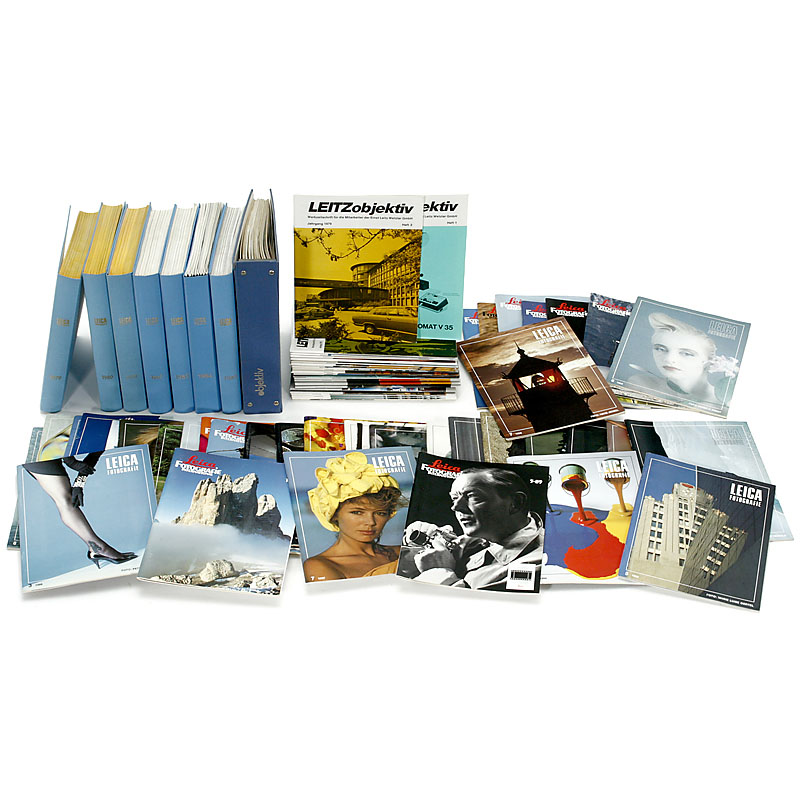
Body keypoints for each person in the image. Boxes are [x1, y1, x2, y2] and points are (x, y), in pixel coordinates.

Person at [401, 468, 544, 591]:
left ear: (516, 503)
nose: (455, 507)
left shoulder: (536, 565)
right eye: (454, 498)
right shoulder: (486, 534)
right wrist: (415, 544)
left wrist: (437, 572)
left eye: (472, 496)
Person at [304, 452, 405, 582]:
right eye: (357, 512)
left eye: (380, 513)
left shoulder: (401, 552)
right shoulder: (320, 566)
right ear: (334, 515)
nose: (370, 522)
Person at [23, 453, 137, 567]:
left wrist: (79, 484)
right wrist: (71, 462)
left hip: (55, 452)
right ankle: (98, 548)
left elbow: (93, 456)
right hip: (40, 452)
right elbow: (60, 444)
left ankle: (97, 549)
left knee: (67, 499)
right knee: (65, 501)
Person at [628, 312, 738, 404]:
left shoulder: (724, 402)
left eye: (686, 353)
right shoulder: (642, 384)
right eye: (660, 349)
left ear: (710, 360)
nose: (669, 359)